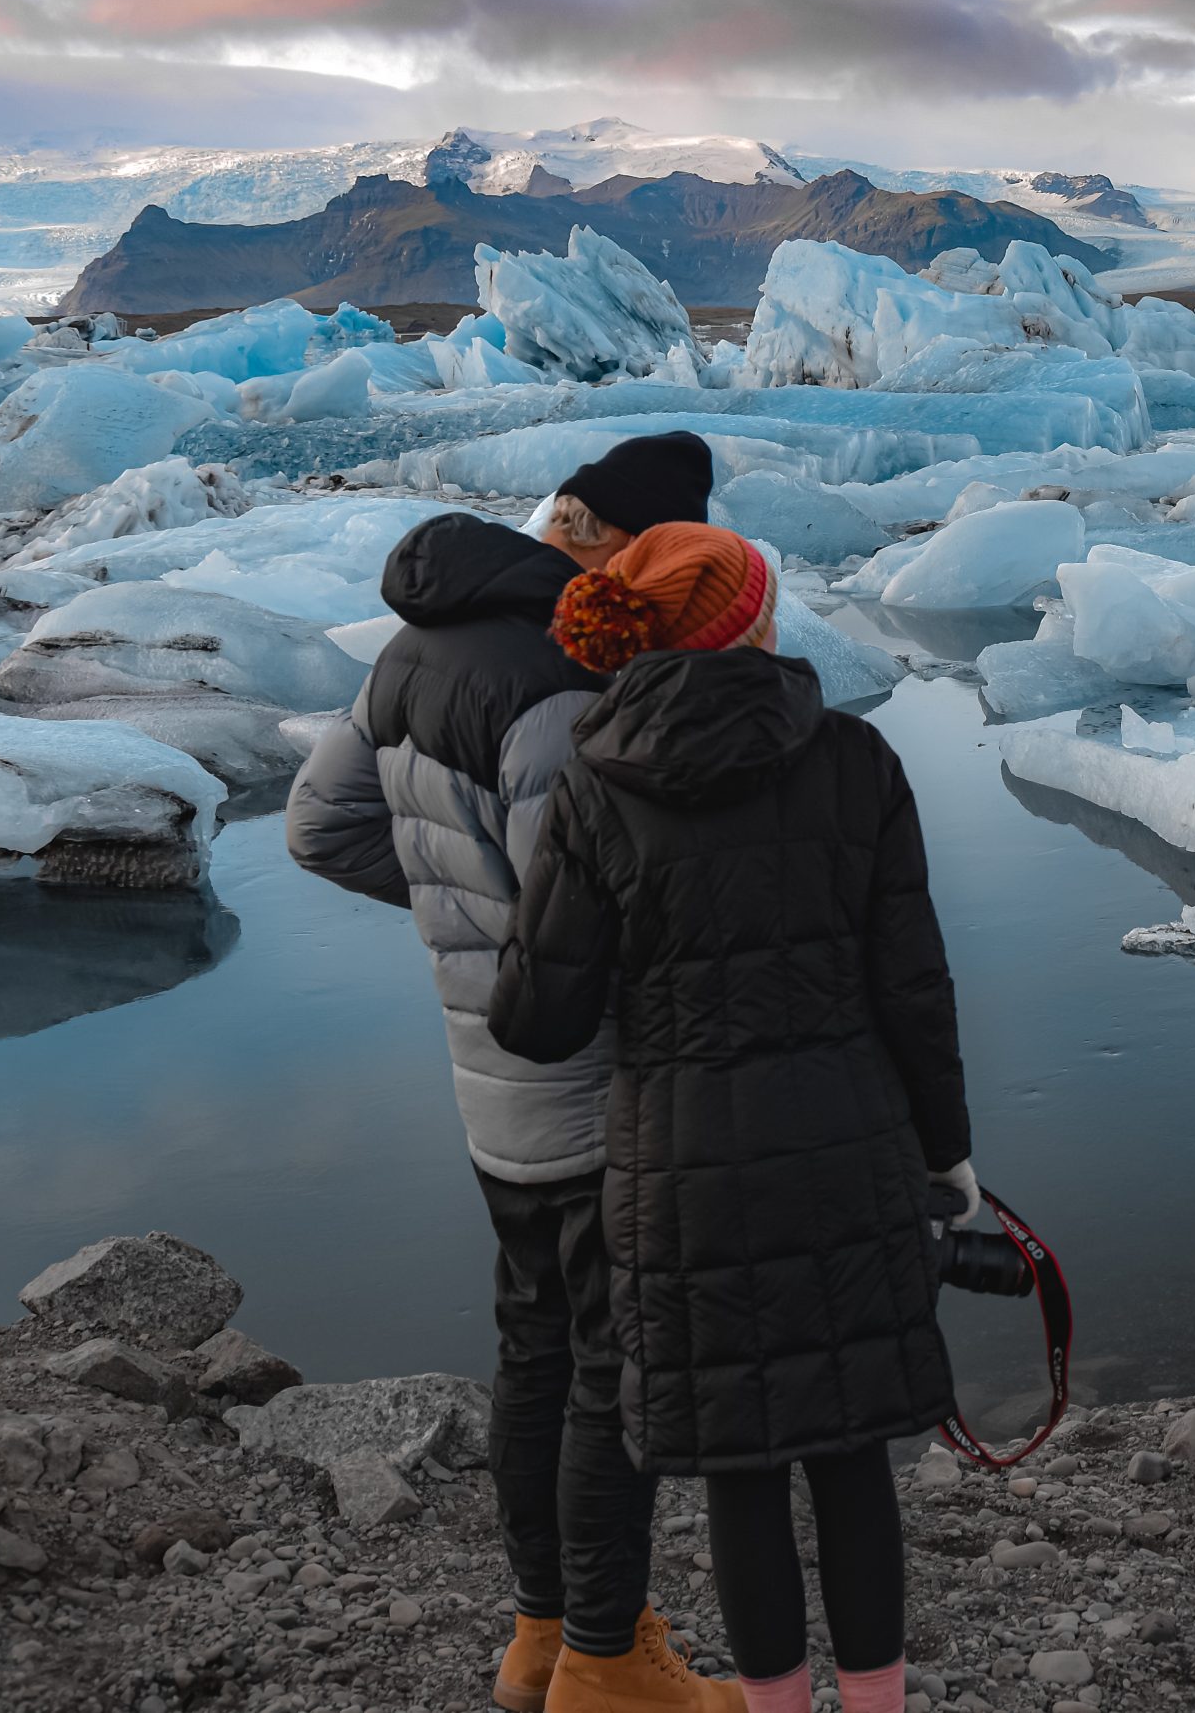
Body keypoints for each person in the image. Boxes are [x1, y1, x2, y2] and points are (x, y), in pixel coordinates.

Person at [286, 432, 743, 1713]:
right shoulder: (557, 679)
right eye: (653, 549)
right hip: (588, 1080)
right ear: (595, 533)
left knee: (536, 1351)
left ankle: (541, 1638)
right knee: (611, 1370)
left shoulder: (411, 648)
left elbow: (318, 828)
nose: (657, 581)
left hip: (483, 1067)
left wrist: (463, 913)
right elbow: (586, 902)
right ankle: (607, 1660)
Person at [487, 523, 972, 1713]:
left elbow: (538, 1020)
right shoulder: (855, 759)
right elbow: (913, 984)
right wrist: (947, 1151)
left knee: (740, 1470)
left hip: (682, 1171)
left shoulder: (597, 782)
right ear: (755, 621)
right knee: (852, 1458)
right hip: (849, 1150)